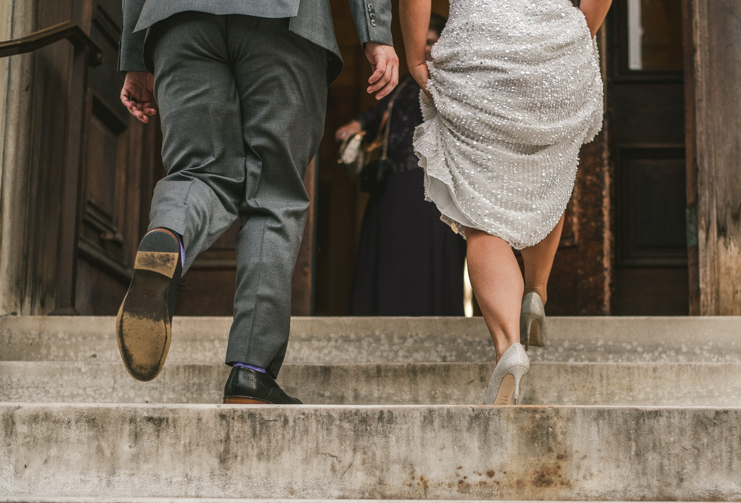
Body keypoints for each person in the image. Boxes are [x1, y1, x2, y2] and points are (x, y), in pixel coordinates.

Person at [116, 0, 399, 404]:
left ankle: (170, 235)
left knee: (197, 171)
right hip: (283, 20)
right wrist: (375, 34)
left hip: (179, 19)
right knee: (274, 194)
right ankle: (251, 372)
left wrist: (134, 53)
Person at [400, 0, 611, 404]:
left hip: (478, 48)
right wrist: (575, 33)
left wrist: (414, 57)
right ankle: (535, 290)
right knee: (547, 173)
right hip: (557, 47)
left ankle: (509, 345)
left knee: (481, 215)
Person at [336, 14, 466, 317]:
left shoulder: (454, 78)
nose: (430, 49)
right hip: (396, 180)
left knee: (425, 254)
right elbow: (381, 108)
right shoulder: (409, 79)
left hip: (432, 181)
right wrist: (356, 124)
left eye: (435, 42)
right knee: (393, 253)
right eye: (426, 42)